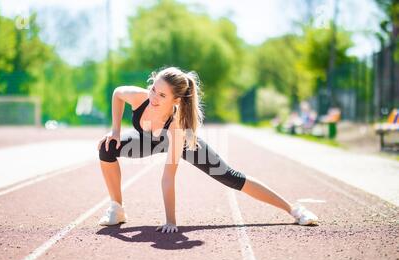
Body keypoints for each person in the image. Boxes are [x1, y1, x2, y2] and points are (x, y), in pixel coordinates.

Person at [97, 66, 318, 233]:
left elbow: (168, 177)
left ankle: (293, 209)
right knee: (107, 148)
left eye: (162, 95)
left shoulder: (178, 126)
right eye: (154, 89)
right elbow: (117, 93)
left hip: (180, 142)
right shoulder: (140, 97)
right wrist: (115, 131)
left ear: (176, 100)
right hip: (147, 138)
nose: (154, 97)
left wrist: (171, 221)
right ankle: (117, 208)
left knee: (230, 177)